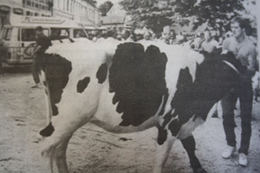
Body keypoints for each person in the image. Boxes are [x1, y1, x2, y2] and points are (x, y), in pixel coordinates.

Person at [221, 16, 257, 166]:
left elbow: (252, 70)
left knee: (245, 119)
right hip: (229, 86)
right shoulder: (227, 41)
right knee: (226, 115)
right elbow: (222, 61)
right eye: (232, 27)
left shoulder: (251, 46)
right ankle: (231, 144)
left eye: (236, 27)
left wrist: (239, 72)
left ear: (243, 29)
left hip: (244, 85)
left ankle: (243, 151)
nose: (233, 30)